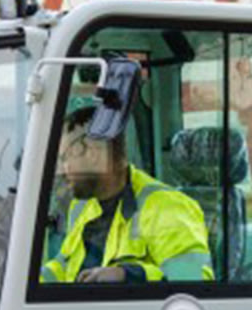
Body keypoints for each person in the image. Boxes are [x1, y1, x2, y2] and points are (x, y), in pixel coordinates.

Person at [41, 105, 214, 284]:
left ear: (92, 154)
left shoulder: (166, 208)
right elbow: (64, 264)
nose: (62, 170)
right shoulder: (83, 206)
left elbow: (195, 280)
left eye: (65, 158)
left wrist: (128, 274)